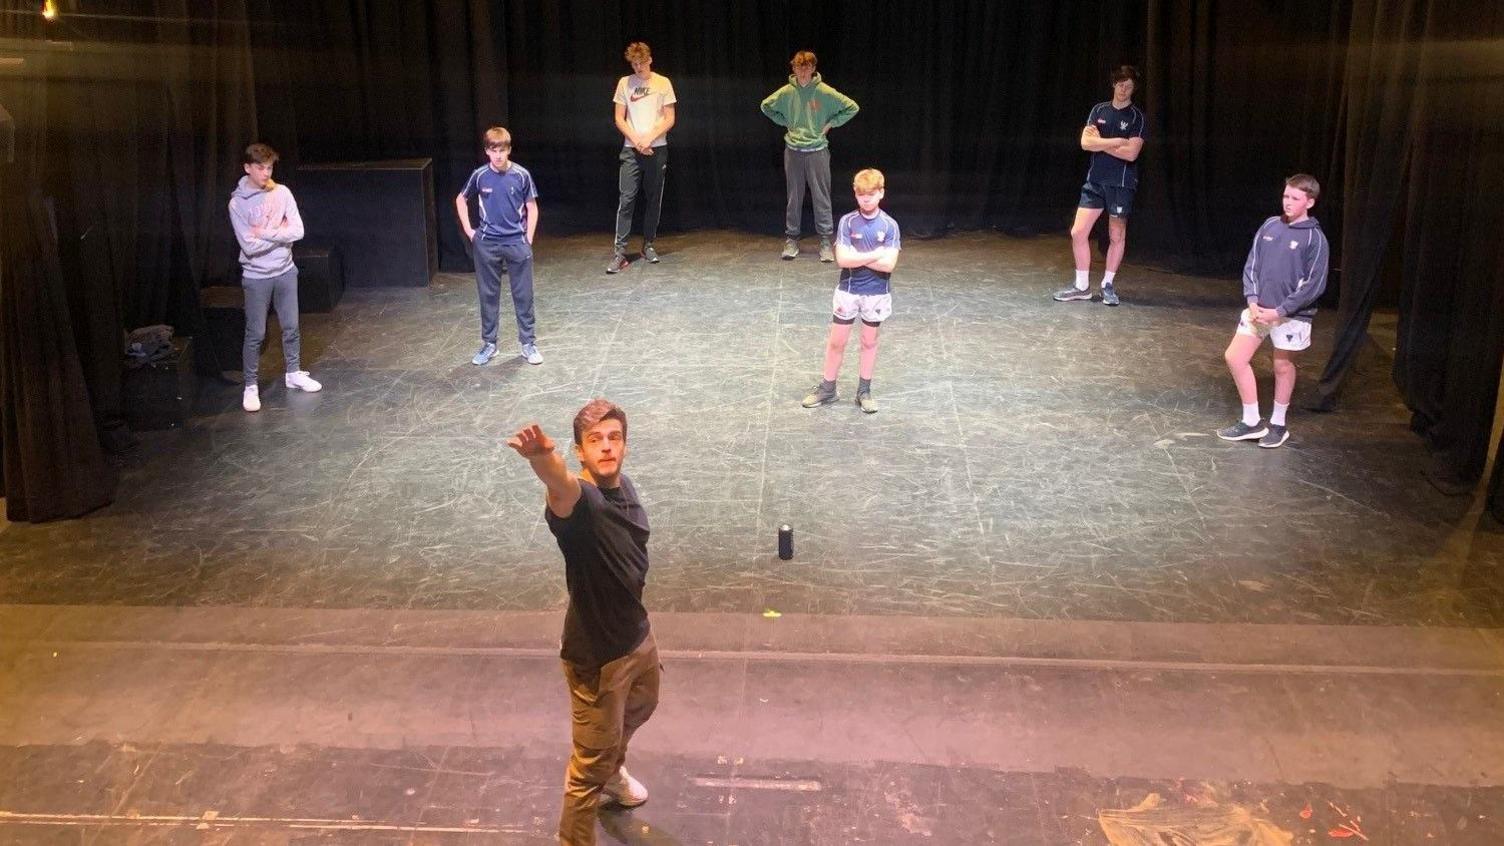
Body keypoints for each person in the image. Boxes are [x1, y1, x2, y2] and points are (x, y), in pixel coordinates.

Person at [508, 399, 660, 846]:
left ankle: (613, 773)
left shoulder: (623, 488)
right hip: (597, 658)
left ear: (625, 446)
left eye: (614, 438)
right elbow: (561, 487)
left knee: (641, 707)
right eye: (595, 440)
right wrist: (541, 458)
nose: (607, 447)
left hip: (637, 636)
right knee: (587, 765)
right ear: (579, 451)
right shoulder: (582, 504)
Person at [1216, 174, 1329, 448]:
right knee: (1235, 357)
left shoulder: (1315, 238)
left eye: (1295, 198)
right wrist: (1252, 299)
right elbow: (1252, 264)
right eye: (1286, 196)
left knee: (1281, 364)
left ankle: (1278, 424)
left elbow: (1314, 284)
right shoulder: (1270, 225)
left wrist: (1280, 310)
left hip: (1290, 315)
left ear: (1309, 202)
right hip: (1259, 310)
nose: (1288, 202)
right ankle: (1252, 420)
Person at [228, 142, 321, 412]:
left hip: (285, 271)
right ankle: (251, 385)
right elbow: (248, 246)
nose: (266, 173)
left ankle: (293, 373)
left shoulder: (282, 193)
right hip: (256, 276)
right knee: (256, 332)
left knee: (291, 326)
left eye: (269, 167)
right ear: (247, 168)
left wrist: (266, 233)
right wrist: (280, 233)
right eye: (260, 168)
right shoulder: (237, 204)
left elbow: (299, 231)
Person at [801, 168, 900, 414]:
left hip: (877, 292)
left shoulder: (890, 226)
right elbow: (843, 260)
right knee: (837, 342)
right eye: (861, 194)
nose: (866, 199)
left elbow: (889, 264)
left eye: (871, 194)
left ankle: (864, 391)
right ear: (855, 195)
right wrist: (876, 253)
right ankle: (827, 389)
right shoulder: (847, 221)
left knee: (869, 342)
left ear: (881, 193)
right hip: (848, 290)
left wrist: (860, 257)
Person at [1053, 65, 1145, 307]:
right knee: (1078, 232)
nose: (1124, 89)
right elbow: (1085, 143)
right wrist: (1115, 141)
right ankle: (1082, 286)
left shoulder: (1136, 118)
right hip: (1095, 181)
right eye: (1121, 84)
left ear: (1133, 90)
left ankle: (1107, 285)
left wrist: (1099, 142)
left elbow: (1131, 154)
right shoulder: (1099, 110)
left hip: (1121, 184)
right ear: (1113, 84)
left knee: (1116, 235)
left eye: (1129, 86)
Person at [760, 50, 860, 262]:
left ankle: (825, 241)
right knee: (793, 197)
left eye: (806, 68)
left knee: (821, 196)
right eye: (798, 67)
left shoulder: (823, 91)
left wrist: (831, 124)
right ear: (793, 68)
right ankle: (792, 239)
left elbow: (852, 107)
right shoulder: (787, 92)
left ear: (813, 69)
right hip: (794, 151)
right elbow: (765, 106)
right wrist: (784, 121)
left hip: (817, 151)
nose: (803, 72)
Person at [456, 126, 542, 366]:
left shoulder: (521, 175)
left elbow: (532, 207)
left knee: (523, 294)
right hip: (488, 243)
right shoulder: (480, 175)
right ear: (487, 151)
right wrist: (470, 231)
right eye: (494, 150)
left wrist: (528, 238)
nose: (498, 155)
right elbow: (461, 199)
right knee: (488, 295)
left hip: (516, 242)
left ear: (509, 149)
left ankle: (528, 343)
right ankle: (489, 344)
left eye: (502, 150)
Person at [608, 42, 676, 274]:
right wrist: (637, 141)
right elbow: (619, 118)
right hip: (631, 149)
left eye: (641, 63)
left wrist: (649, 139)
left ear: (649, 60)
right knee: (627, 199)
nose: (638, 67)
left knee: (653, 198)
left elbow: (669, 118)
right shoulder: (624, 83)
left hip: (656, 149)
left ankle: (648, 244)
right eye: (634, 64)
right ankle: (619, 252)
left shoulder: (662, 82)